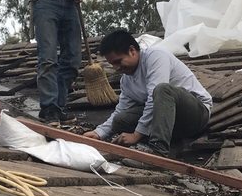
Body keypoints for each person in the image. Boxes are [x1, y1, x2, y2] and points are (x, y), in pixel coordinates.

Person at [82, 29, 212, 157]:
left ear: (132, 51)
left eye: (118, 61)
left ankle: (158, 150)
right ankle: (171, 144)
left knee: (162, 90)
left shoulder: (156, 56)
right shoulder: (126, 81)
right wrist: (99, 133)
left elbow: (153, 99)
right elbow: (121, 109)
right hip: (169, 122)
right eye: (112, 64)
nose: (117, 68)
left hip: (195, 115)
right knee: (120, 120)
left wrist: (136, 135)